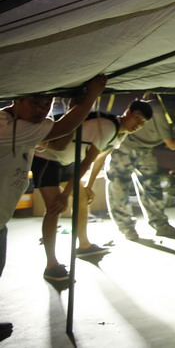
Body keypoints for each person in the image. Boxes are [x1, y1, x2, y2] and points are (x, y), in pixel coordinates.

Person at [0, 75, 106, 341]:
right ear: (17, 99)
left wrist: (74, 106)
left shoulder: (25, 125)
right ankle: (51, 262)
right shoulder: (4, 126)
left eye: (47, 103)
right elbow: (61, 130)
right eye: (36, 102)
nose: (42, 109)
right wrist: (91, 95)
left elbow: (58, 141)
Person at [32, 98, 151, 280]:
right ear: (127, 112)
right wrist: (65, 195)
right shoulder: (108, 127)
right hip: (47, 157)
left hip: (67, 160)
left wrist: (88, 186)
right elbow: (87, 162)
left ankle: (84, 245)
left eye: (142, 123)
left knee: (80, 199)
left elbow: (100, 159)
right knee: (55, 207)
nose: (138, 125)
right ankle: (51, 265)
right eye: (137, 118)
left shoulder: (121, 133)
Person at [106, 97, 175, 240]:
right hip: (124, 147)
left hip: (145, 149)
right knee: (119, 188)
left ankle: (160, 225)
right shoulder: (160, 111)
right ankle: (126, 227)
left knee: (152, 188)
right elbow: (173, 145)